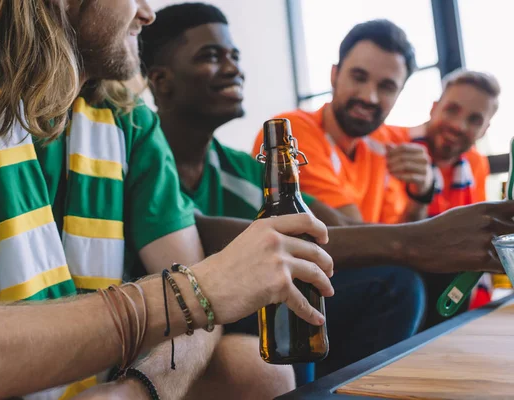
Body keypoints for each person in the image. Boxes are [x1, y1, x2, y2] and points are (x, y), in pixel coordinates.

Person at [0, 1, 334, 399]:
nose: (148, 14)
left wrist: (139, 389)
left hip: (108, 377)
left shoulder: (129, 120)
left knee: (258, 371)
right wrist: (192, 291)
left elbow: (201, 321)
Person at [138, 2, 513, 380]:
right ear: (161, 79)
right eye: (212, 56)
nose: (235, 68)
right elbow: (199, 234)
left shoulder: (239, 165)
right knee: (383, 285)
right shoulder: (146, 152)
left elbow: (329, 225)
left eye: (235, 56)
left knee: (401, 281)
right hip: (208, 306)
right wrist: (418, 240)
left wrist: (425, 235)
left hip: (256, 297)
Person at [251, 19, 434, 224]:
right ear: (334, 75)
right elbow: (350, 235)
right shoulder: (290, 134)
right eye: (359, 77)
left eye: (386, 87)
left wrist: (421, 194)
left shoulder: (383, 143)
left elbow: (398, 235)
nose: (369, 97)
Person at [407, 69, 500, 328]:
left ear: (484, 130)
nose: (459, 126)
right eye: (452, 110)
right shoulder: (398, 148)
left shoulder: (476, 163)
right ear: (434, 108)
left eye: (474, 119)